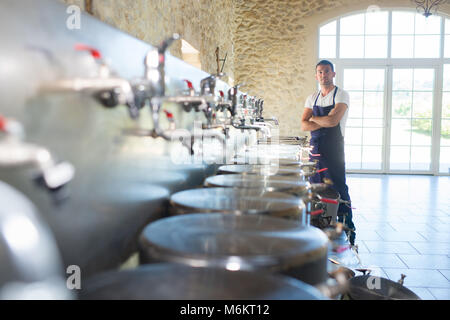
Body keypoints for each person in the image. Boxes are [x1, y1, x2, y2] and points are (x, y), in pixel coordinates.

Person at [301, 59, 356, 245]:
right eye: (320, 72)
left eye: (326, 71)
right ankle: (321, 226)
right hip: (315, 151)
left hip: (334, 151)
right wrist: (323, 118)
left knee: (338, 187)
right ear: (316, 75)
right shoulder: (312, 97)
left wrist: (313, 118)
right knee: (316, 188)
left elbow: (333, 122)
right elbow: (303, 124)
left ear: (333, 74)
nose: (323, 75)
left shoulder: (341, 95)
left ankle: (346, 226)